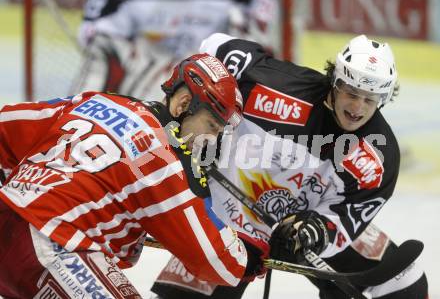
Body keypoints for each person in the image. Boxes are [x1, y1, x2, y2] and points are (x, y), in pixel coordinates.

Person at [150, 34, 429, 298]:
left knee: (404, 280)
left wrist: (316, 232)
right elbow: (215, 46)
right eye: (352, 93)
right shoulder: (274, 85)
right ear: (335, 82)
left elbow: (349, 214)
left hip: (300, 227)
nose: (358, 107)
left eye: (370, 99)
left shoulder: (377, 155)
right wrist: (177, 112)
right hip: (227, 218)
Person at [0, 53, 269, 298]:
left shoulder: (98, 100)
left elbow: (5, 126)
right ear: (184, 103)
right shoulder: (165, 158)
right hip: (52, 244)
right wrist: (248, 257)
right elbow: (213, 260)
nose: (211, 139)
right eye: (211, 125)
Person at [71, 0, 278, 100]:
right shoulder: (123, 5)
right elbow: (97, 43)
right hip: (138, 90)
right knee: (102, 55)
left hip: (209, 93)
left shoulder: (238, 6)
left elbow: (259, 50)